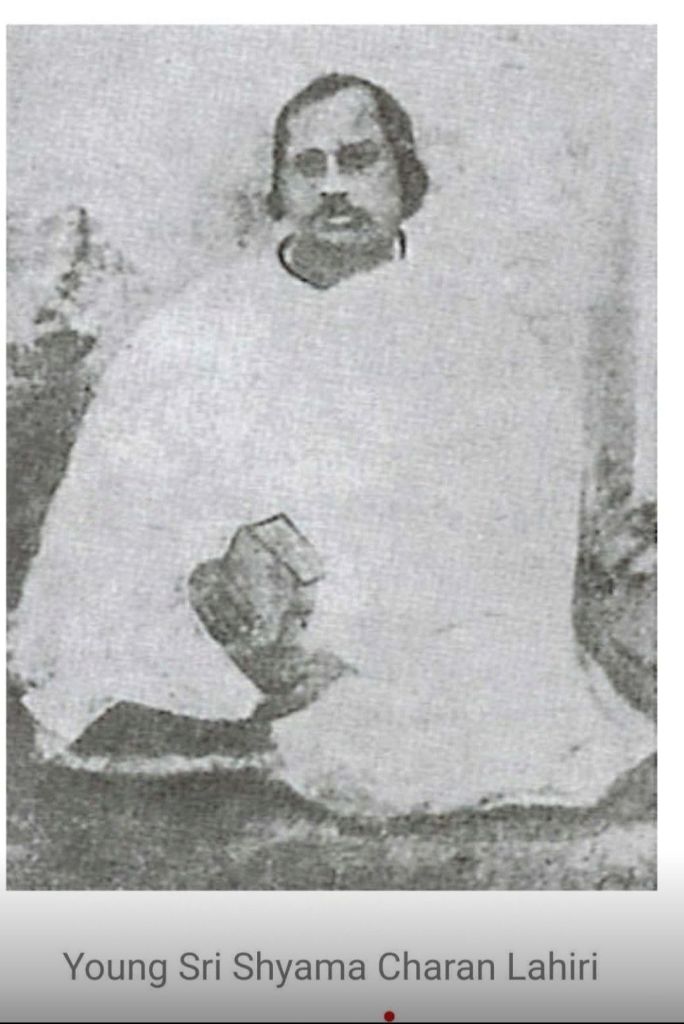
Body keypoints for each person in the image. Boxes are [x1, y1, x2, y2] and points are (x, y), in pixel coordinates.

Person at [9, 73, 655, 815]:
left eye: (359, 160)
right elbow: (114, 508)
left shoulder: (481, 334)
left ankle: (262, 736)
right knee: (105, 652)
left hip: (397, 636)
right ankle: (230, 723)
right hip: (216, 624)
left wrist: (347, 629)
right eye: (308, 166)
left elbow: (513, 540)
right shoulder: (198, 324)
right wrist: (218, 585)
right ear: (279, 187)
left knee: (461, 704)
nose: (334, 187)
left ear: (404, 176)